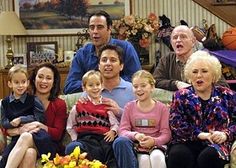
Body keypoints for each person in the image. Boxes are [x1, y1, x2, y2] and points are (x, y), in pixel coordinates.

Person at [167, 50, 236, 168]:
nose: (199, 75)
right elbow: (176, 124)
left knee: (209, 157)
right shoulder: (181, 95)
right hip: (187, 141)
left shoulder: (228, 95)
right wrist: (200, 134)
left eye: (204, 71)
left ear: (214, 75)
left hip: (216, 143)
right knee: (178, 155)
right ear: (189, 76)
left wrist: (226, 134)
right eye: (194, 72)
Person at [65, 44, 135, 153]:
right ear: (99, 66)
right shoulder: (88, 93)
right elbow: (76, 120)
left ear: (121, 66)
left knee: (120, 142)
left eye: (113, 60)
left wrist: (119, 111)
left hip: (123, 140)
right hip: (93, 141)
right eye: (104, 60)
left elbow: (139, 118)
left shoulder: (132, 90)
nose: (107, 63)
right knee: (75, 148)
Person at [1, 63, 67, 168]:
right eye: (40, 77)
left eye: (48, 78)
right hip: (24, 145)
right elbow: (6, 125)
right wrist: (18, 130)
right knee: (29, 153)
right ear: (33, 79)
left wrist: (39, 125)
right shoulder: (24, 98)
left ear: (54, 82)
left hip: (49, 146)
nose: (44, 81)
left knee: (26, 136)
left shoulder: (59, 104)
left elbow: (58, 134)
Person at [63, 10, 141, 94]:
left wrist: (110, 84)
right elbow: (69, 87)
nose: (95, 31)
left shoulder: (126, 48)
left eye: (100, 27)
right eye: (92, 27)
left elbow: (137, 80)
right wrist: (96, 84)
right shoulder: (82, 54)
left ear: (109, 28)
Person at [113, 70, 171, 168]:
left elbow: (166, 134)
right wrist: (136, 135)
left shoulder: (162, 108)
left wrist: (154, 141)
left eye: (143, 86)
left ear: (152, 87)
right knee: (143, 160)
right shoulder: (129, 107)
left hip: (157, 145)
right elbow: (122, 130)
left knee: (157, 157)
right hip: (137, 146)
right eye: (135, 86)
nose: (139, 89)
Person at [66, 70, 119, 167]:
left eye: (97, 84)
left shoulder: (107, 104)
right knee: (82, 150)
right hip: (86, 137)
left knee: (110, 151)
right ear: (84, 88)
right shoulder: (79, 105)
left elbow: (114, 123)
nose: (95, 88)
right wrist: (75, 139)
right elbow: (70, 126)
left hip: (104, 137)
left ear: (102, 86)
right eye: (90, 85)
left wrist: (113, 132)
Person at [153, 25, 229, 91]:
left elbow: (223, 87)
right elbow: (155, 81)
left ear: (193, 41)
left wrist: (200, 88)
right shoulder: (166, 59)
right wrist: (176, 84)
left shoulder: (205, 59)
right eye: (175, 38)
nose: (178, 40)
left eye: (183, 37)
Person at [0, 65, 47, 168]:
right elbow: (3, 122)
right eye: (16, 82)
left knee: (8, 159)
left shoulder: (33, 100)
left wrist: (21, 119)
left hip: (35, 136)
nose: (20, 85)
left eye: (23, 82)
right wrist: (11, 124)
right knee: (27, 153)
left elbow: (40, 118)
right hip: (16, 138)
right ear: (9, 84)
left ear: (28, 83)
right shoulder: (4, 103)